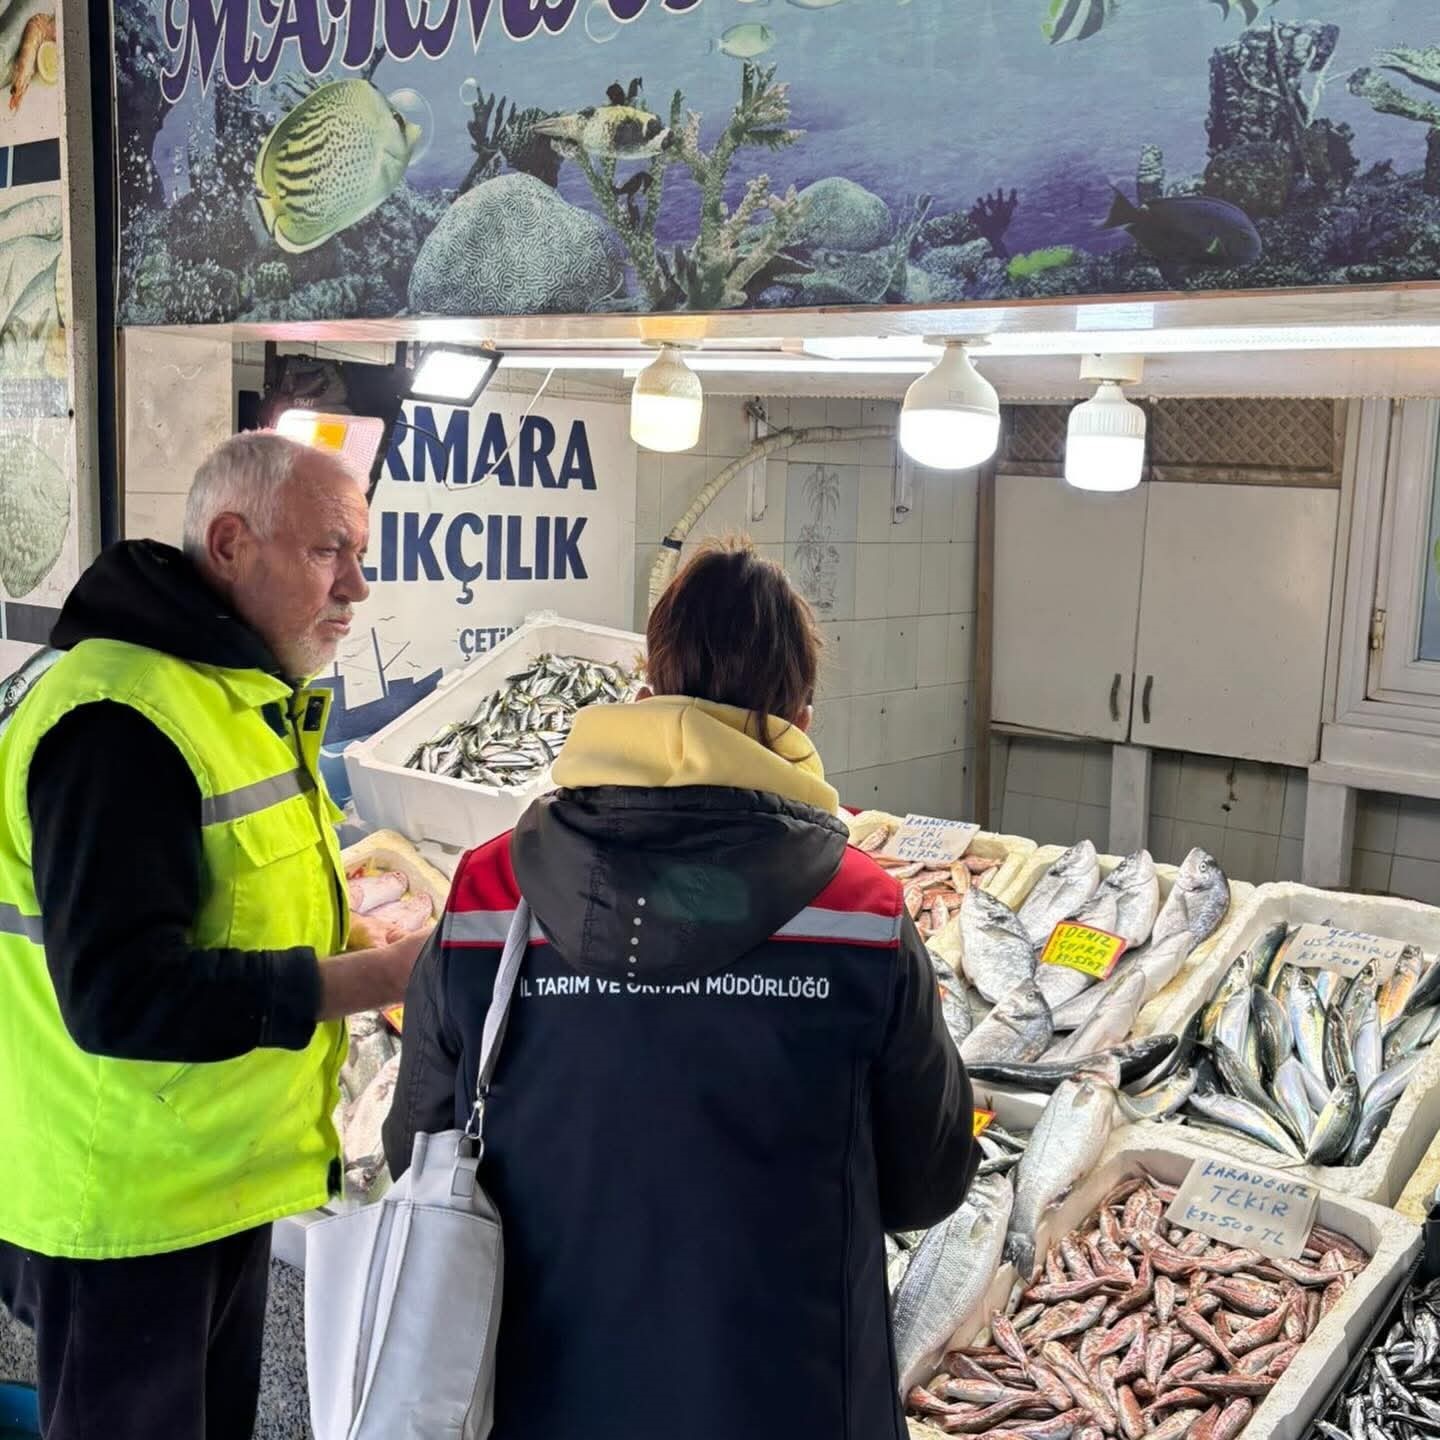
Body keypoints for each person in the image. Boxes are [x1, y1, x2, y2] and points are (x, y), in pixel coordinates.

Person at [385, 536, 977, 1440]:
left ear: (647, 689)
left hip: (536, 1394)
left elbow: (414, 1149)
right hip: (786, 1394)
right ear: (799, 717)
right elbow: (928, 1183)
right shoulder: (860, 915)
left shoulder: (486, 896)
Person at [0, 431, 427, 1440]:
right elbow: (122, 994)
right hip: (124, 1214)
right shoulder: (121, 719)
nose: (357, 589)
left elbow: (222, 906)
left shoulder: (229, 697)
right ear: (231, 543)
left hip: (208, 1191)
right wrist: (376, 977)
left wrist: (342, 926)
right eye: (332, 551)